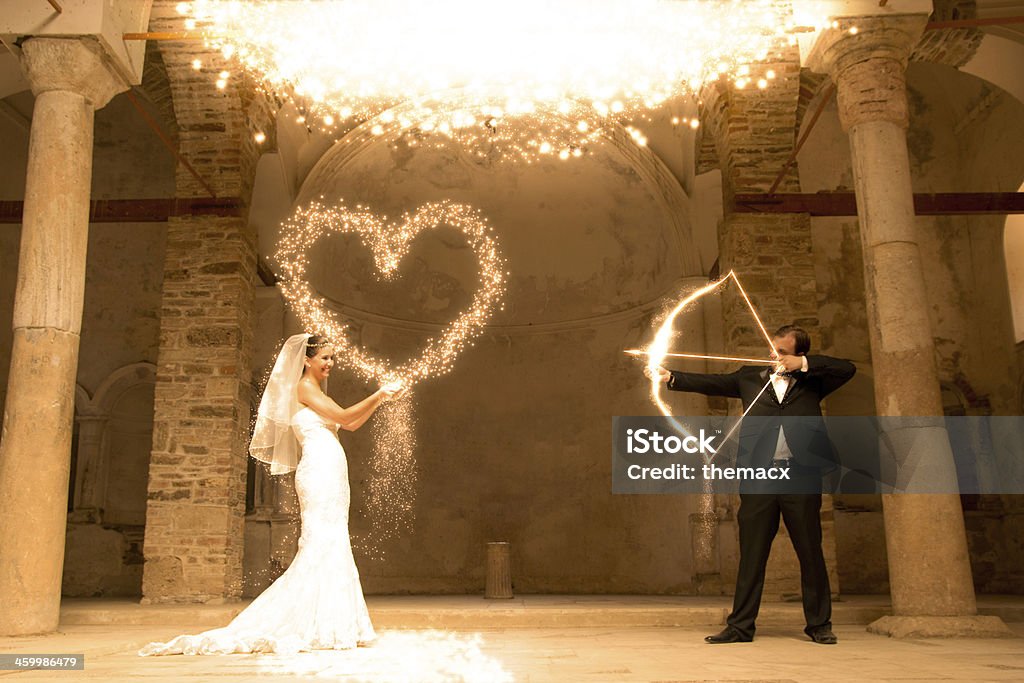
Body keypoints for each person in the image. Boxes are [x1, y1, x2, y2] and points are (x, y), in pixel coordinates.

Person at [139, 333, 404, 656]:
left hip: (333, 469)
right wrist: (378, 393)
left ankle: (337, 620)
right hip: (319, 470)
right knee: (321, 541)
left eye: (332, 358)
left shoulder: (318, 391)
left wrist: (381, 401)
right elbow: (347, 417)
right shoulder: (305, 388)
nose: (330, 363)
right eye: (325, 357)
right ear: (306, 360)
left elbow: (349, 425)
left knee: (334, 539)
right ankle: (315, 620)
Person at [647, 325, 855, 645]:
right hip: (759, 477)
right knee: (752, 553)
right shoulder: (749, 377)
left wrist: (803, 366)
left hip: (801, 476)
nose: (775, 356)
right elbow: (713, 383)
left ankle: (819, 625)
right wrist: (671, 377)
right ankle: (741, 626)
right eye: (774, 350)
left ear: (799, 354)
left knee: (810, 552)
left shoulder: (815, 380)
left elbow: (847, 368)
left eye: (784, 352)